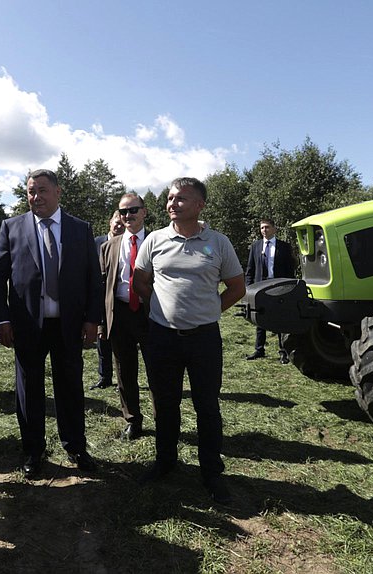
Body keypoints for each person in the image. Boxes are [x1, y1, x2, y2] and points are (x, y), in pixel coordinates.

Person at [133, 177, 245, 505]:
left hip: (204, 340)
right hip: (162, 337)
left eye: (180, 199)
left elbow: (236, 287)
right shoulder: (155, 239)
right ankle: (165, 462)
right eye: (169, 198)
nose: (171, 204)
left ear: (200, 205)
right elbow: (140, 281)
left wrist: (210, 312)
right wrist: (161, 306)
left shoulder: (218, 242)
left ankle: (211, 472)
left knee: (206, 407)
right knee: (165, 405)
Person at [0, 169, 101, 479]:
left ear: (57, 192)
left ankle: (76, 446)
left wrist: (93, 319)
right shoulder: (11, 228)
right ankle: (33, 450)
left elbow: (94, 279)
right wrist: (1, 319)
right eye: (30, 191)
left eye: (41, 190)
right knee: (30, 389)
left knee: (70, 387)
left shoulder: (80, 230)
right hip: (27, 326)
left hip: (69, 325)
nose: (35, 196)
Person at [101, 194, 150, 440]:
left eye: (133, 210)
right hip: (119, 314)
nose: (128, 215)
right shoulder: (109, 246)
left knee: (158, 370)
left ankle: (165, 418)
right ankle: (132, 420)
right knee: (124, 371)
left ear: (144, 212)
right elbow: (101, 286)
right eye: (123, 212)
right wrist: (101, 322)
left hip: (151, 314)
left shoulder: (158, 241)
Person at [245, 218, 296, 363]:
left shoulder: (284, 247)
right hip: (260, 288)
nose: (264, 230)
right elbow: (250, 269)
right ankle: (259, 349)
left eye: (267, 227)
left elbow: (289, 270)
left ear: (274, 229)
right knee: (259, 318)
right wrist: (247, 288)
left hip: (278, 287)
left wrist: (289, 288)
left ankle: (283, 351)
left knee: (279, 318)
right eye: (262, 228)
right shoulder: (256, 246)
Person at [91, 211, 123, 391]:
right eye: (116, 222)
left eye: (121, 223)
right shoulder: (96, 242)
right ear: (110, 222)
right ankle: (105, 377)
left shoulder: (127, 243)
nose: (118, 226)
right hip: (99, 298)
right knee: (101, 339)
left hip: (119, 298)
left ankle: (122, 380)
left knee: (120, 342)